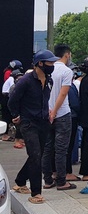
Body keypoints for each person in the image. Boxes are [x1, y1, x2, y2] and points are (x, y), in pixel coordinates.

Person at [8, 50, 58, 204]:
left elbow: (45, 99)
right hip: (28, 123)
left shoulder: (49, 80)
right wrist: (16, 115)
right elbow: (12, 100)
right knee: (35, 155)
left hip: (43, 122)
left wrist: (48, 111)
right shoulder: (26, 81)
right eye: (49, 62)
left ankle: (20, 181)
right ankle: (36, 193)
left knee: (37, 155)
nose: (52, 65)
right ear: (40, 63)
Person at [42, 44, 77, 191]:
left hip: (46, 113)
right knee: (61, 149)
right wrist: (55, 111)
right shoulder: (66, 71)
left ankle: (48, 180)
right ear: (67, 55)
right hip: (61, 113)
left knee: (47, 148)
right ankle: (62, 181)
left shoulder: (47, 69)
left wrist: (48, 111)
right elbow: (63, 94)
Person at [1, 59, 22, 140]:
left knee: (8, 116)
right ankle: (7, 134)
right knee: (8, 116)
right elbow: (13, 89)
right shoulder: (10, 77)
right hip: (7, 97)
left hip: (7, 97)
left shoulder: (9, 75)